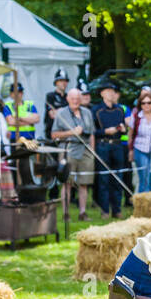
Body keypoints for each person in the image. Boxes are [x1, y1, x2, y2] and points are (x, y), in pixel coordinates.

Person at [51, 88, 96, 220]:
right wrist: (70, 132)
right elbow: (54, 135)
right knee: (67, 182)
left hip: (86, 150)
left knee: (84, 183)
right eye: (72, 98)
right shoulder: (61, 113)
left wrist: (92, 151)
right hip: (68, 149)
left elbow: (91, 133)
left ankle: (82, 212)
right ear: (67, 99)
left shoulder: (87, 112)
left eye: (78, 98)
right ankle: (66, 213)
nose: (75, 100)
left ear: (81, 99)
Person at [92, 81, 128, 219]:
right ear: (102, 94)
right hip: (103, 145)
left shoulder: (120, 109)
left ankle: (117, 209)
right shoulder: (96, 110)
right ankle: (105, 210)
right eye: (108, 91)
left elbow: (123, 127)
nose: (111, 94)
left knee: (118, 177)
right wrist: (105, 131)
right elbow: (93, 131)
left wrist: (124, 129)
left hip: (117, 145)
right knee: (103, 179)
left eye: (113, 91)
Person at [44, 69, 71, 140]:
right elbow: (52, 115)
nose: (64, 83)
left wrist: (59, 111)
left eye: (65, 81)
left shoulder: (69, 96)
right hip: (52, 132)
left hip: (66, 133)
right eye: (61, 81)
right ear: (56, 82)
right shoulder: (50, 96)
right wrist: (67, 111)